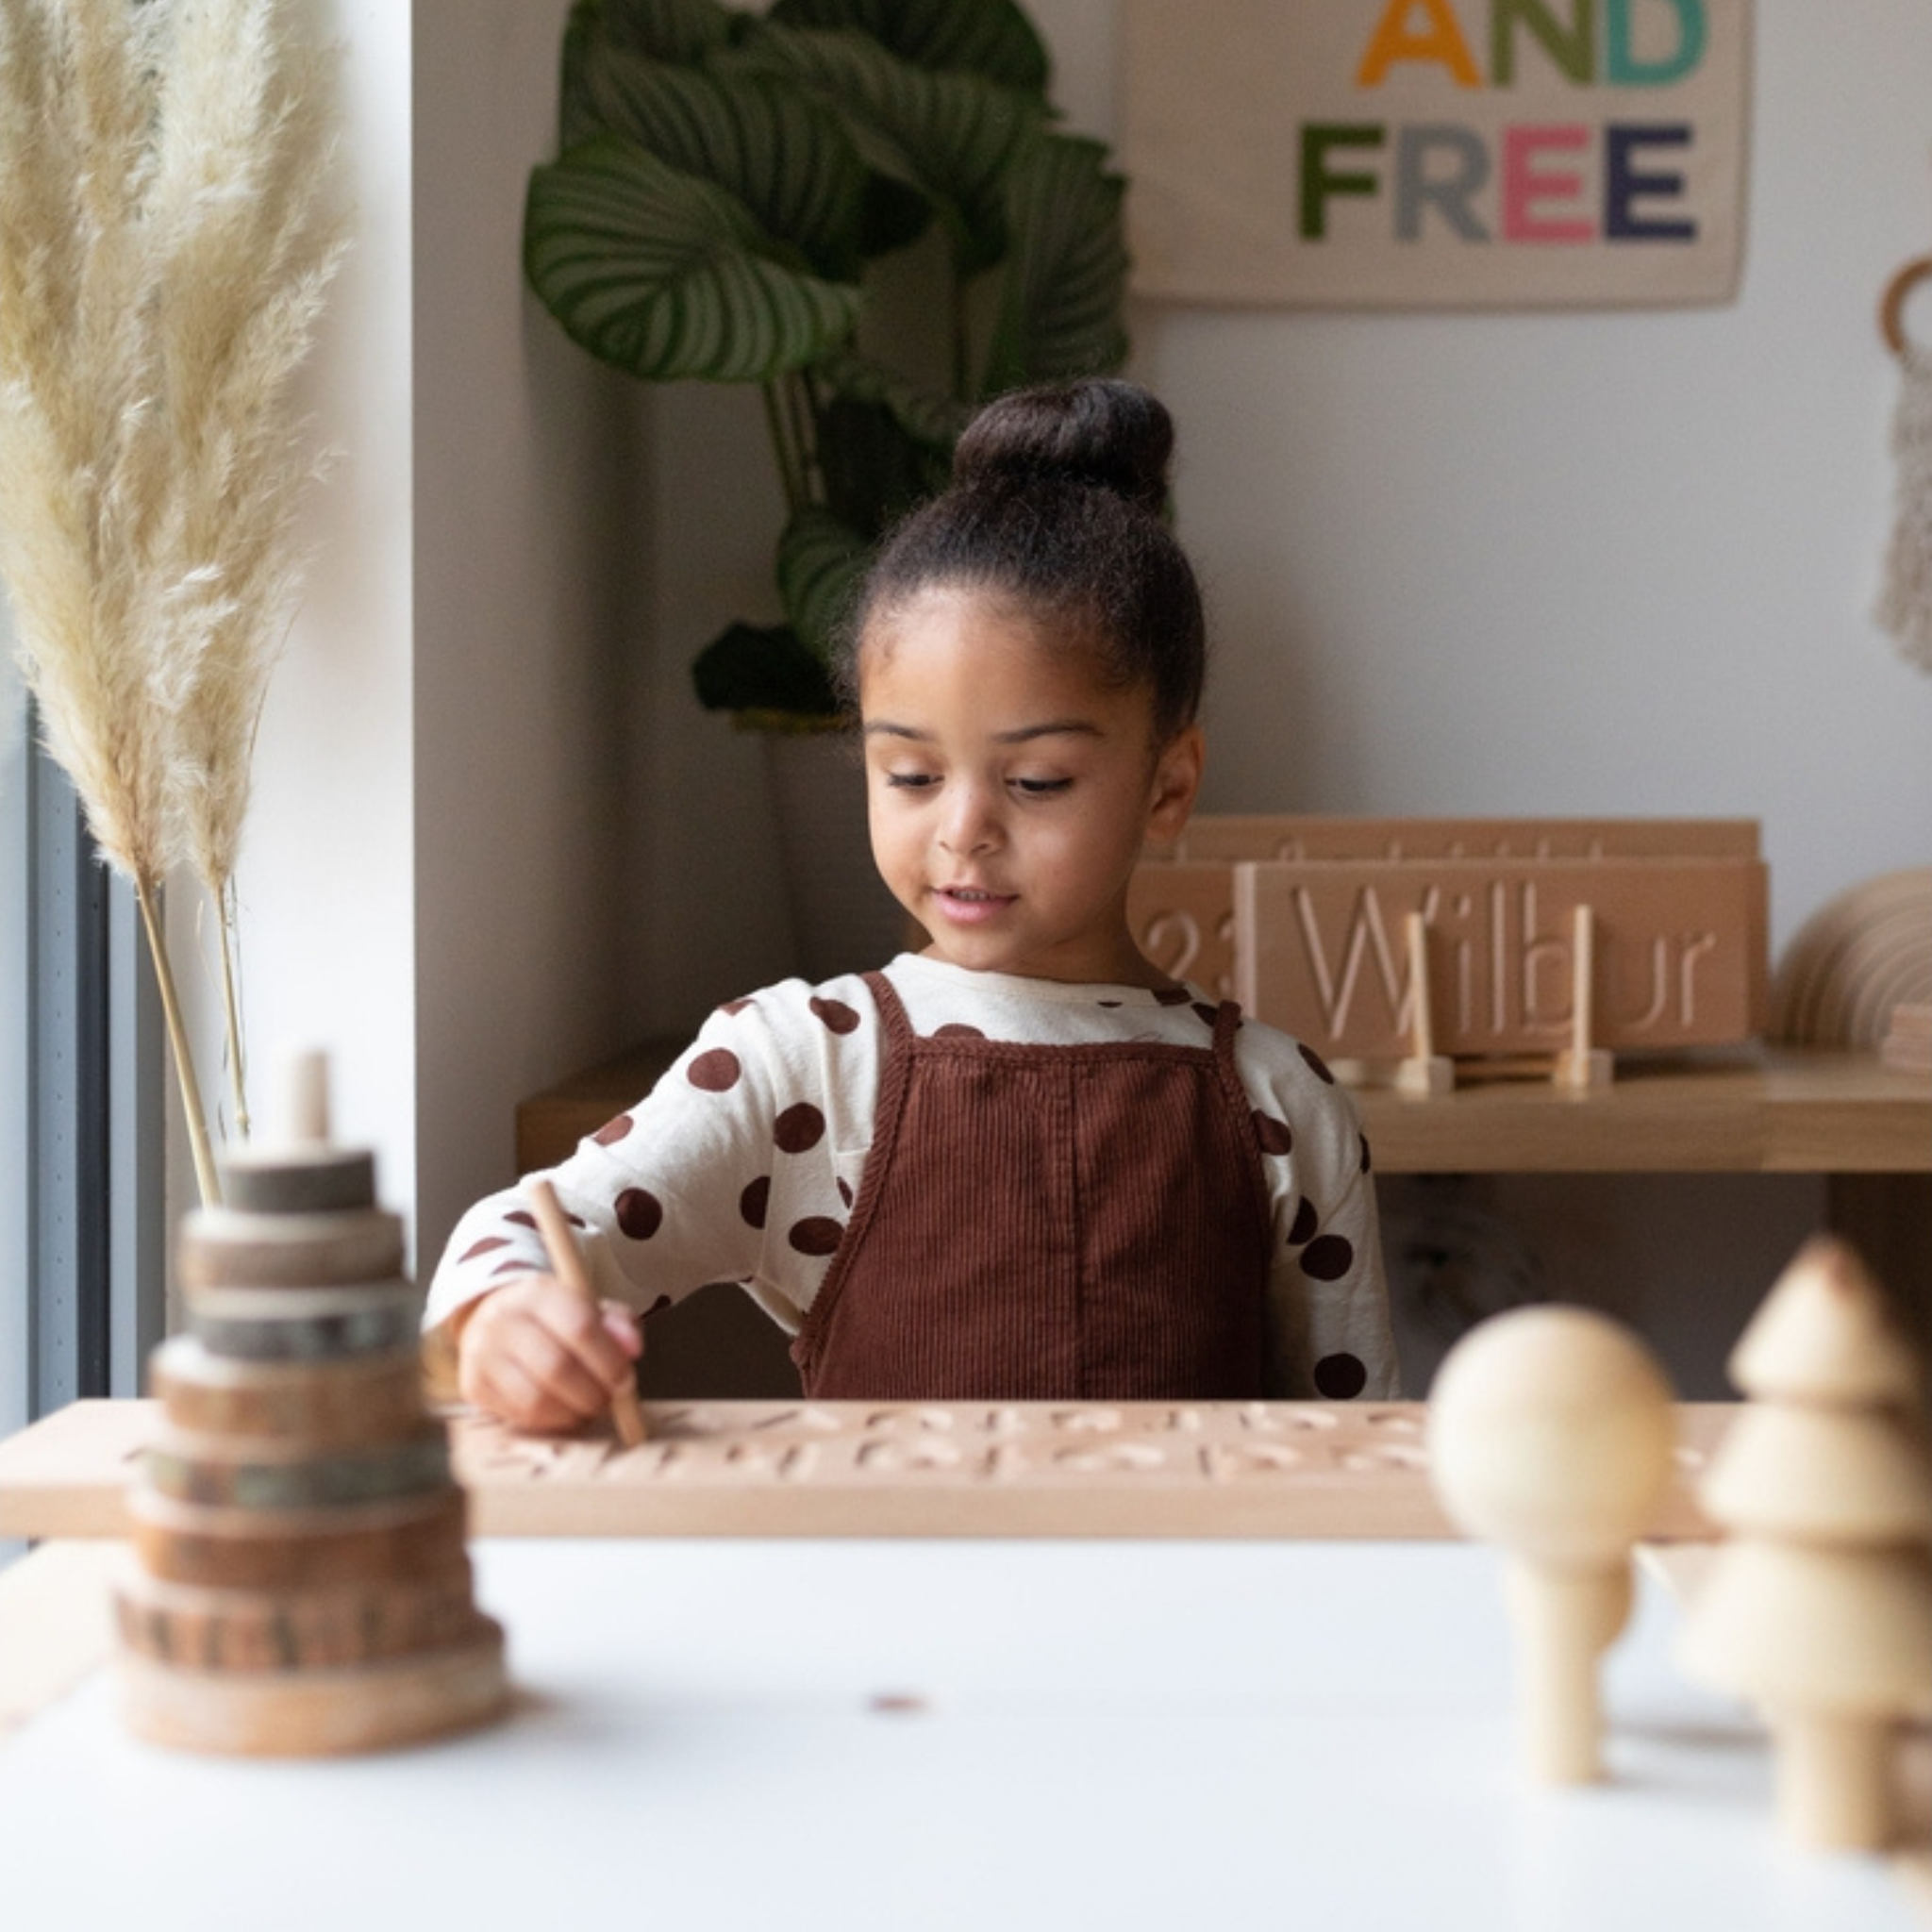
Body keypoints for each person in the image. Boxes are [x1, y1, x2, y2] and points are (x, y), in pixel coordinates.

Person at [425, 378, 1397, 1428]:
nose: (962, 829)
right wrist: (506, 1319)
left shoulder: (1277, 1100)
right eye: (910, 775)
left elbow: (1355, 1441)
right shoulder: (804, 1058)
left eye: (1035, 782)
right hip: (878, 1592)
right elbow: (540, 1222)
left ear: (1167, 783)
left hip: (1190, 1596)